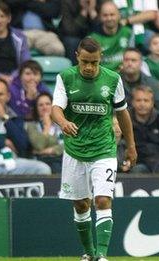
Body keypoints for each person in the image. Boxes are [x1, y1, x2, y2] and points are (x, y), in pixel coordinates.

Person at [51, 37, 137, 261]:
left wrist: (131, 146)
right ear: (77, 57)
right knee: (81, 205)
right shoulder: (65, 78)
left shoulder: (113, 79)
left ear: (100, 60)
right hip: (74, 150)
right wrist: (63, 123)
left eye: (95, 62)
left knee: (102, 200)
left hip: (103, 149)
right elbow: (56, 109)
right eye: (85, 62)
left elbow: (123, 114)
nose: (89, 67)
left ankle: (102, 255)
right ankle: (88, 254)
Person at [0, 79, 51, 175]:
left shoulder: (15, 117)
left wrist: (5, 117)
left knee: (43, 169)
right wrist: (3, 142)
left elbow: (23, 145)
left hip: (13, 162)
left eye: (1, 94)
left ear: (8, 96)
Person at [0, 1, 30, 85]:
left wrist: (12, 77)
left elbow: (26, 63)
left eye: (2, 16)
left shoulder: (20, 37)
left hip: (15, 79)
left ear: (9, 18)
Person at [120, 47, 159, 115]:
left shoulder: (151, 83)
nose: (129, 63)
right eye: (126, 60)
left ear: (141, 63)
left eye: (133, 60)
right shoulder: (114, 82)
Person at [89, 1, 134, 71]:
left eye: (112, 15)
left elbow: (133, 55)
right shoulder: (93, 38)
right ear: (100, 17)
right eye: (105, 15)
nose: (109, 18)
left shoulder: (128, 32)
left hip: (124, 75)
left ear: (119, 15)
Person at [25, 93, 63, 173]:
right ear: (36, 108)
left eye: (48, 104)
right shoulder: (31, 126)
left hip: (61, 159)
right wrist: (47, 126)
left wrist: (50, 150)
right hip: (42, 161)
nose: (44, 107)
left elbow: (67, 145)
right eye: (41, 105)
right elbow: (39, 145)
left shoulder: (62, 123)